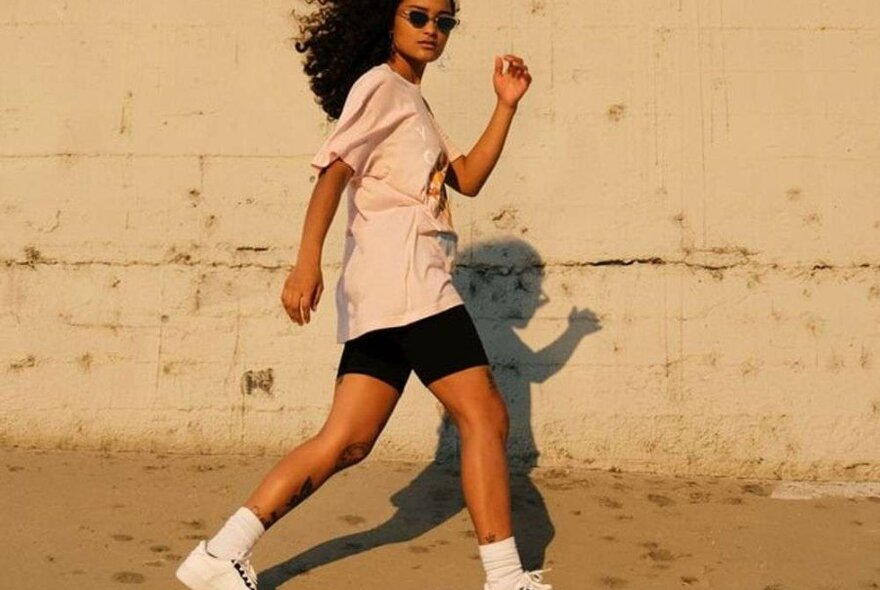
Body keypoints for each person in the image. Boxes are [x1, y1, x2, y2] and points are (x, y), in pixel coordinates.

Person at [175, 0, 549, 588]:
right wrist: (305, 265)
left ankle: (220, 555)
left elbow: (468, 178)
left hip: (385, 289)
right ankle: (506, 579)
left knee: (347, 441)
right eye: (418, 16)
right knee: (486, 418)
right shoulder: (379, 86)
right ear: (387, 19)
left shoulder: (413, 102)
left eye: (445, 21)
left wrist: (505, 106)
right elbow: (334, 172)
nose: (432, 30)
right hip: (410, 279)